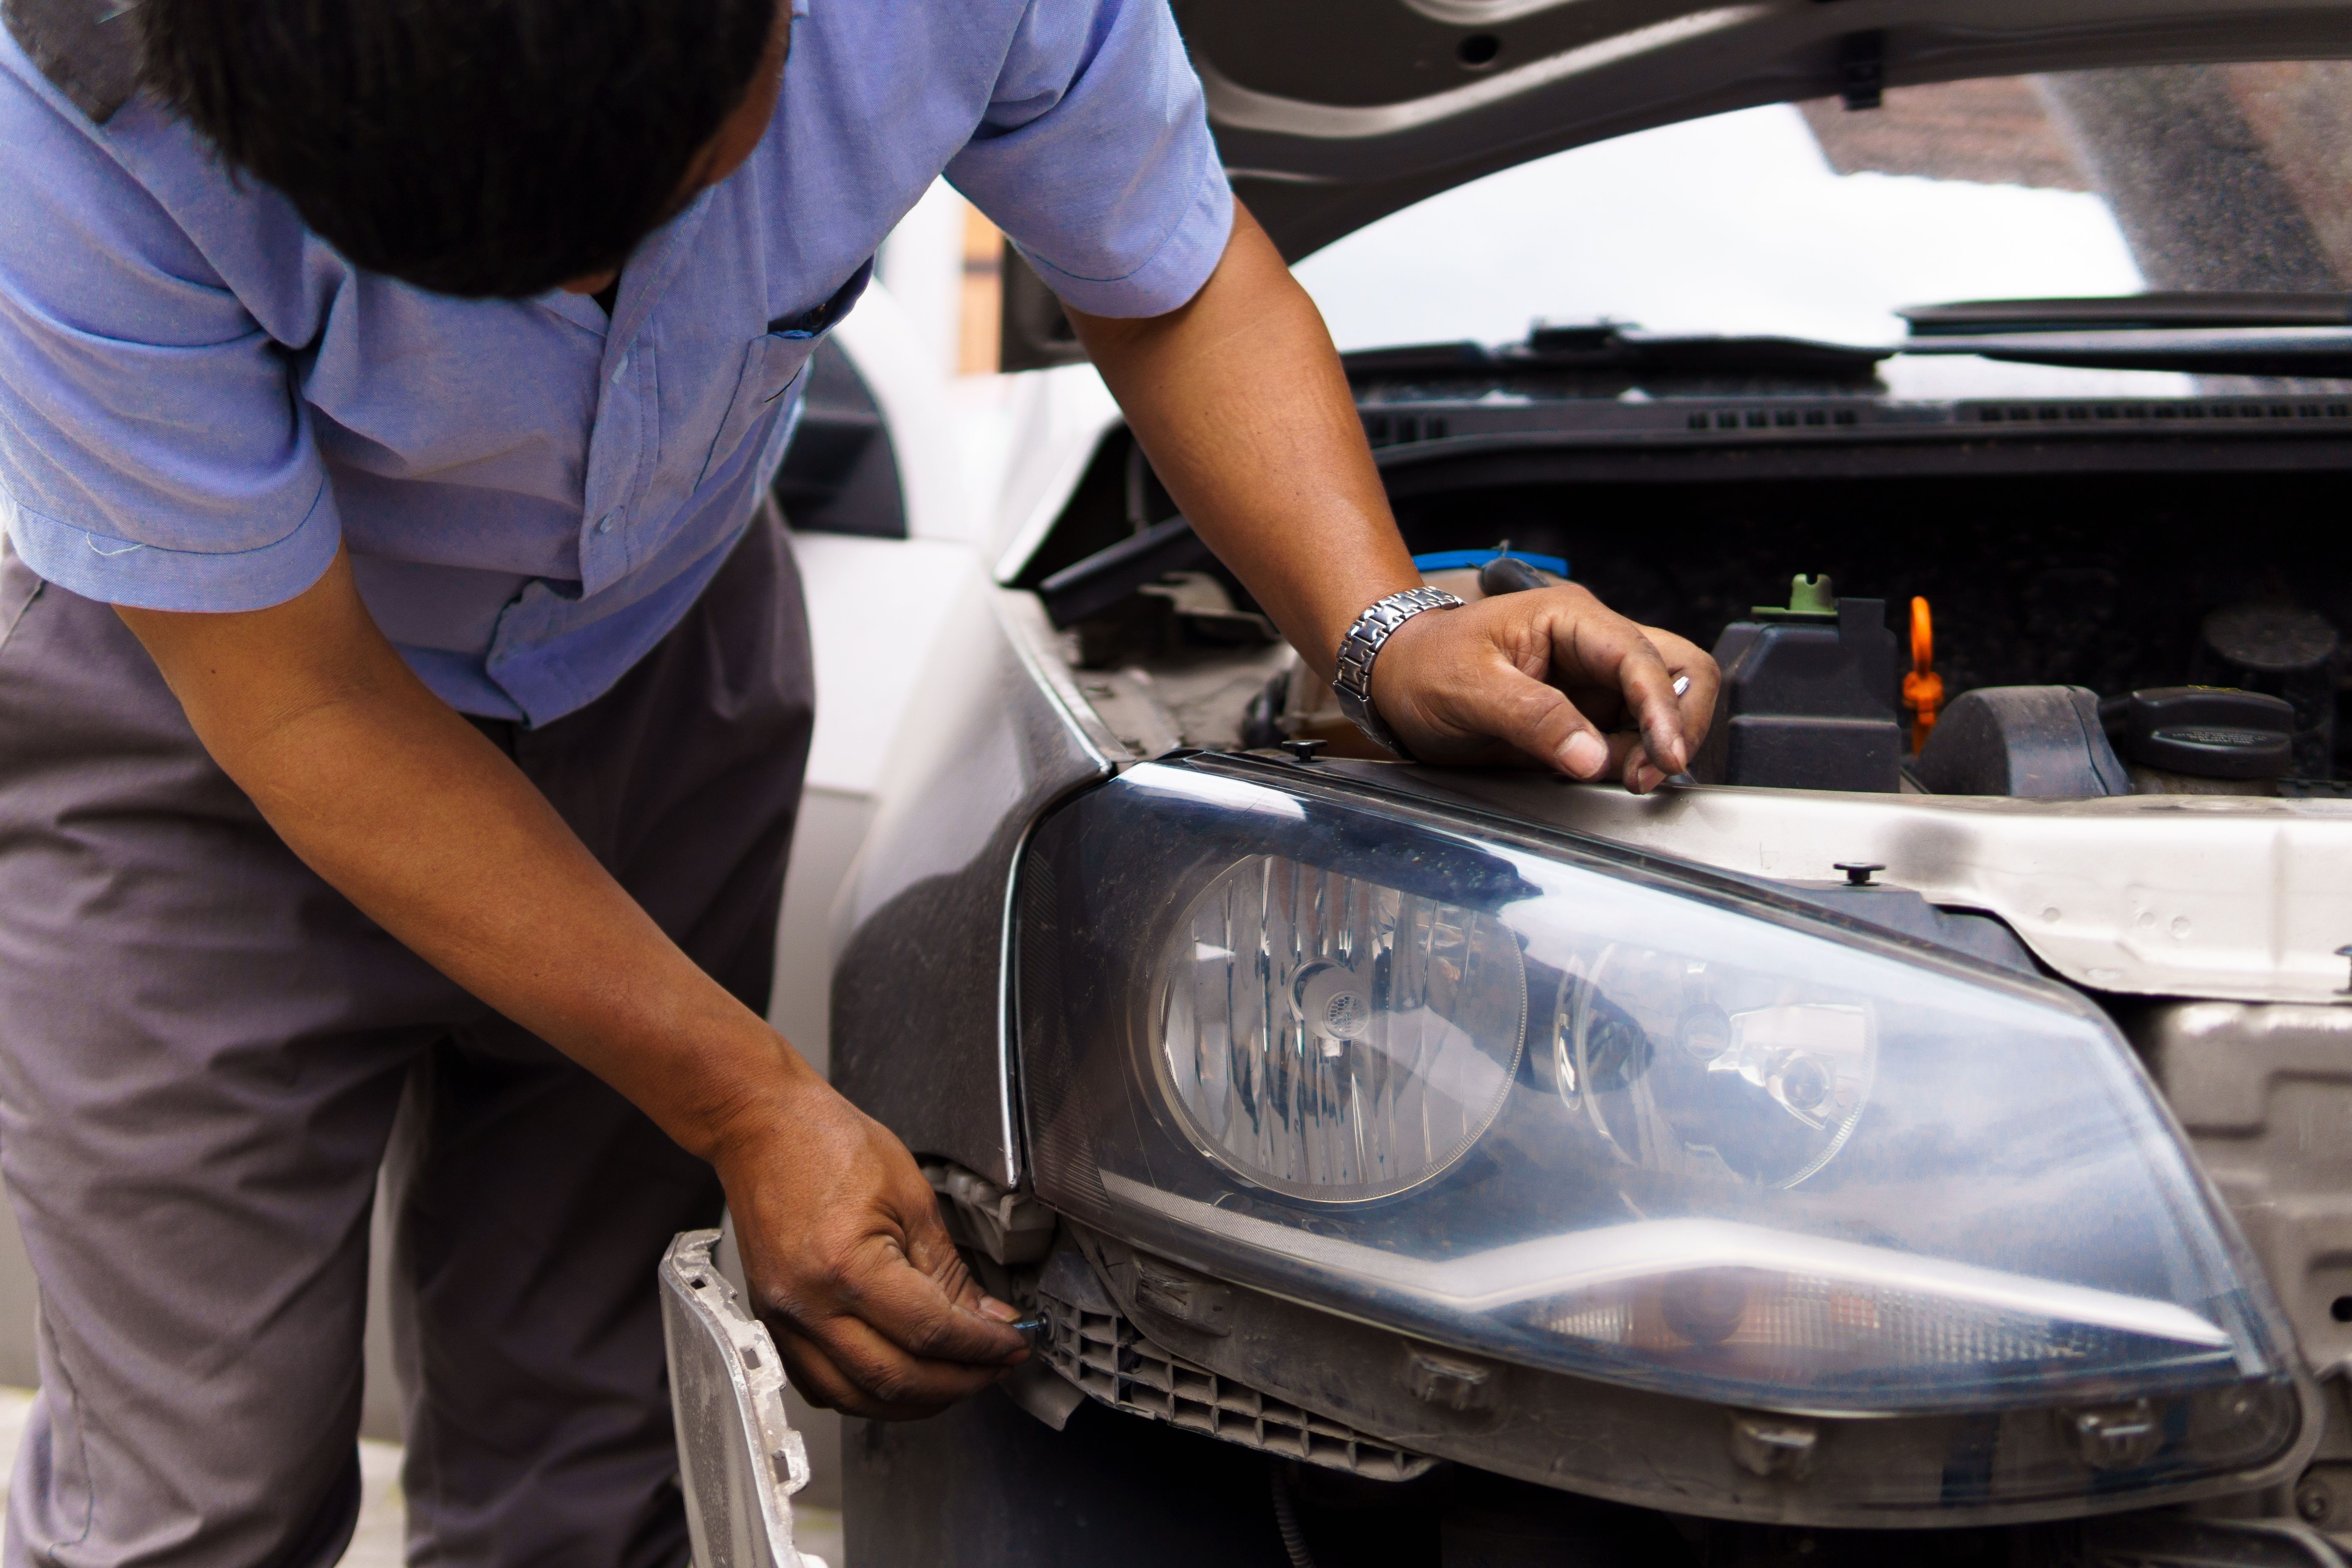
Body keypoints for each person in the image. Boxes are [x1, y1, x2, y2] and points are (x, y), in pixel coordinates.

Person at [0, 0, 1720, 1559]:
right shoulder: (73, 117)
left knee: (594, 1470)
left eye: (662, 219)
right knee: (192, 1505)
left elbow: (1168, 270)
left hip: (659, 666)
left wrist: (1374, 624)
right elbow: (304, 711)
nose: (599, 310)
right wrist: (753, 1101)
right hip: (209, 723)